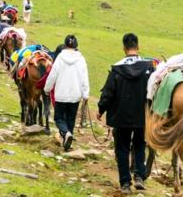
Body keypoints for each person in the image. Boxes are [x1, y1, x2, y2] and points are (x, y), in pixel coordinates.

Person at [97, 33, 155, 195]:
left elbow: (108, 93)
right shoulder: (149, 68)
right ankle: (139, 177)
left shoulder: (117, 69)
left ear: (124, 48)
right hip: (142, 116)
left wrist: (101, 109)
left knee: (122, 149)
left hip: (121, 117)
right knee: (139, 145)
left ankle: (125, 183)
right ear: (138, 47)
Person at [44, 35, 89, 151]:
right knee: (71, 119)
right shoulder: (81, 59)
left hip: (61, 94)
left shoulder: (59, 58)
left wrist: (47, 89)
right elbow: (85, 78)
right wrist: (85, 94)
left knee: (59, 118)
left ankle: (66, 134)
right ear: (76, 45)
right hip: (75, 95)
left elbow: (52, 75)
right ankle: (68, 139)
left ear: (65, 45)